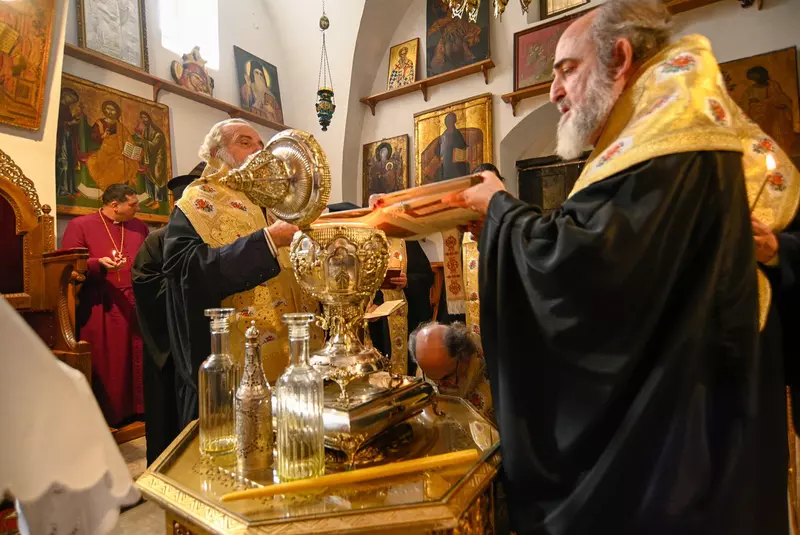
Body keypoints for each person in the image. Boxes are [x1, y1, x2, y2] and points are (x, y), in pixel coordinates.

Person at [445, 0, 795, 533]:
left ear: (621, 58)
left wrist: (499, 211)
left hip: (671, 461)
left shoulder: (667, 142)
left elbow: (583, 269)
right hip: (702, 437)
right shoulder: (673, 128)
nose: (554, 92)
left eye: (566, 70)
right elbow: (613, 251)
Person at [163, 119, 318, 428]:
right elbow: (186, 271)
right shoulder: (197, 202)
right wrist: (268, 242)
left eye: (261, 146)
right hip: (239, 364)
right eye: (245, 143)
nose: (259, 152)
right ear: (217, 153)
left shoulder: (277, 205)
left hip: (296, 357)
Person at [132, 163, 204, 465]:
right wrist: (188, 289)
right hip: (169, 348)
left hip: (205, 341)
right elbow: (145, 283)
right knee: (168, 417)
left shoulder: (213, 236)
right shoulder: (157, 239)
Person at [61, 184, 149, 427]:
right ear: (114, 205)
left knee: (138, 358)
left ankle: (139, 410)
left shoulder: (139, 227)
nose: (138, 209)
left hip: (135, 303)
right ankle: (110, 415)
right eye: (133, 204)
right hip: (101, 303)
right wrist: (96, 263)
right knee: (108, 360)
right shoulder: (80, 225)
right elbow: (67, 262)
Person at [409, 321, 492, 420]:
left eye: (446, 378)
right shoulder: (426, 363)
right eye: (431, 377)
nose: (438, 385)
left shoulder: (488, 362)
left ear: (463, 356)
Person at [133, 111, 169, 210]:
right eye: (142, 118)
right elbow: (146, 143)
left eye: (145, 117)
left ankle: (159, 201)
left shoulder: (158, 133)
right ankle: (152, 198)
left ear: (149, 118)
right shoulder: (146, 130)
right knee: (149, 177)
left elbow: (153, 146)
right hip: (149, 159)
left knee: (157, 178)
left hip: (158, 159)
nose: (144, 120)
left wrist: (142, 140)